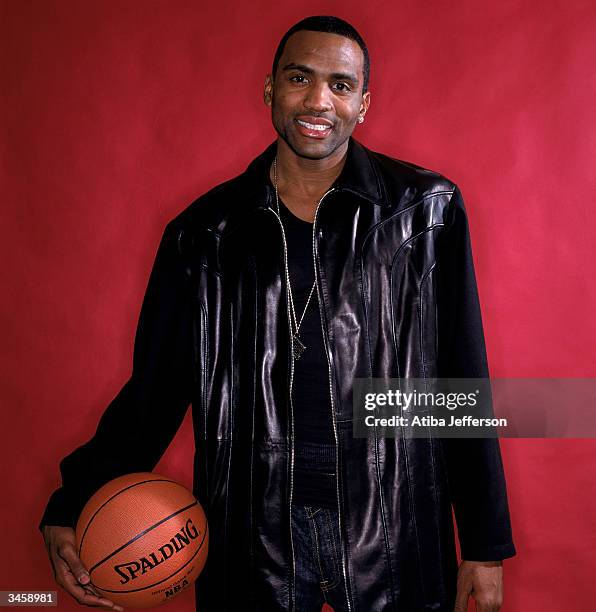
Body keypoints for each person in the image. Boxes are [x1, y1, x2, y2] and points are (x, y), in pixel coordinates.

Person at [40, 15, 516, 612]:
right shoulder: (203, 235)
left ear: (363, 102)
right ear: (270, 90)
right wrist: (72, 499)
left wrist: (484, 544)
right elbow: (155, 391)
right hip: (253, 534)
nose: (318, 100)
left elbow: (459, 382)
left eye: (340, 85)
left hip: (393, 528)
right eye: (299, 78)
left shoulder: (424, 213)